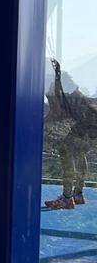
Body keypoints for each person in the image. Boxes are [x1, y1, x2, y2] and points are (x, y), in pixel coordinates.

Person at [44, 59, 95, 209]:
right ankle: (78, 194)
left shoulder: (53, 84)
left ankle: (67, 198)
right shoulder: (64, 79)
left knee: (65, 150)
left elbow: (56, 113)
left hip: (84, 122)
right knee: (79, 152)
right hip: (90, 120)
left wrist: (39, 122)